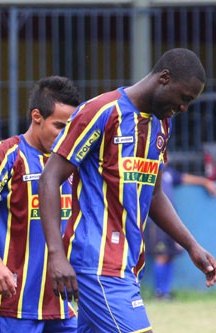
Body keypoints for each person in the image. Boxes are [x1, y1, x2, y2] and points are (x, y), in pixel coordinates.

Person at [38, 48, 216, 333]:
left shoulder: (161, 123)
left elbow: (155, 194)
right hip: (97, 262)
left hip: (129, 263)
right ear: (164, 78)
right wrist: (56, 255)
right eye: (184, 98)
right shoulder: (102, 111)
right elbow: (49, 178)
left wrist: (191, 245)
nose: (184, 108)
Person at [0, 76, 81, 333]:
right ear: (36, 116)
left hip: (63, 304)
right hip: (13, 301)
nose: (65, 136)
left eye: (70, 129)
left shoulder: (73, 163)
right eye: (59, 126)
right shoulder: (5, 155)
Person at [145, 165, 216, 299]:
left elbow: (186, 178)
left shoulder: (169, 173)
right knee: (162, 254)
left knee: (170, 254)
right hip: (155, 223)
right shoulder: (149, 170)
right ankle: (159, 292)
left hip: (171, 223)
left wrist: (205, 181)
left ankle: (166, 291)